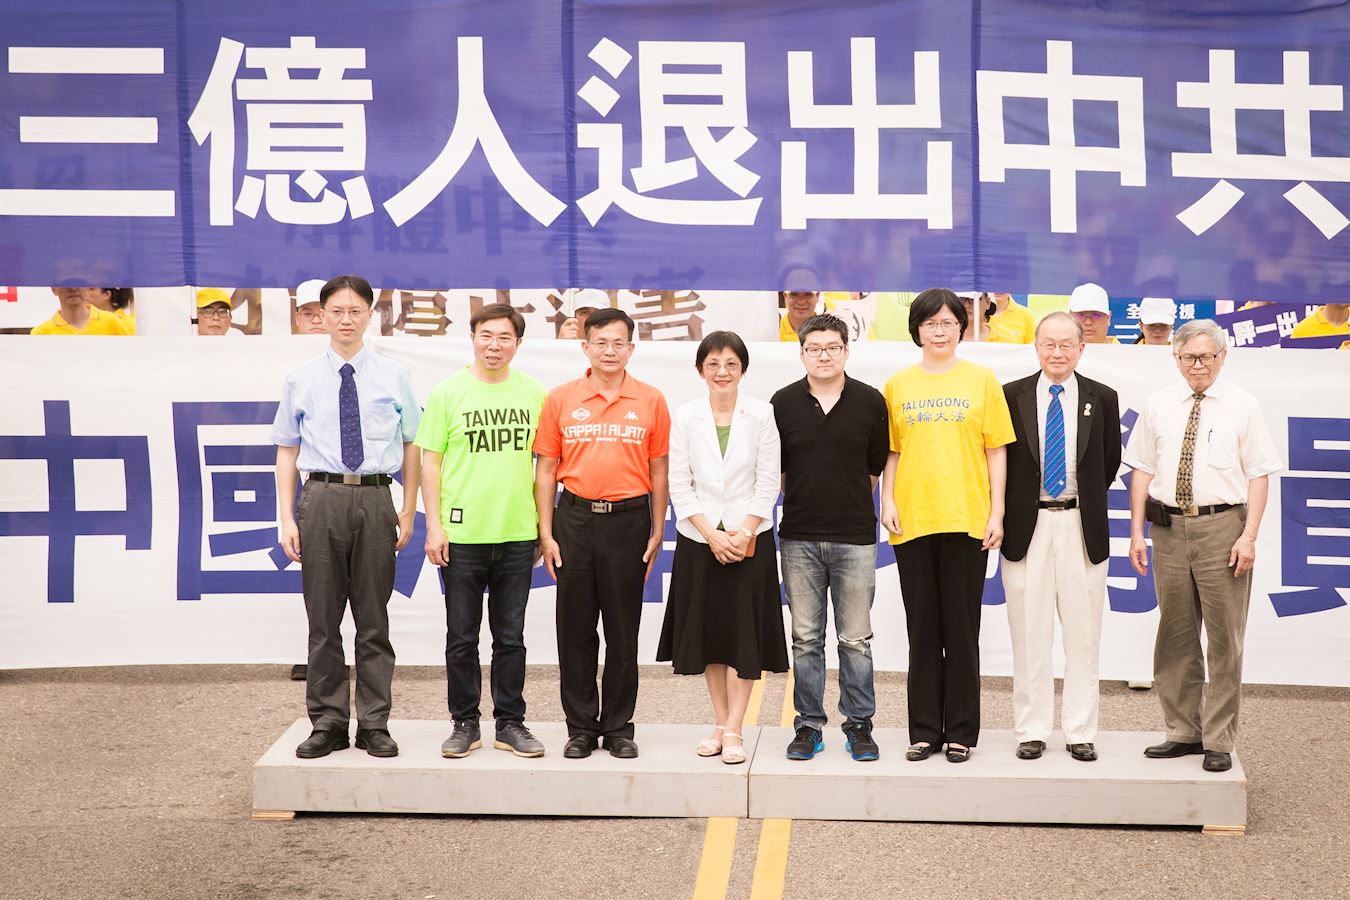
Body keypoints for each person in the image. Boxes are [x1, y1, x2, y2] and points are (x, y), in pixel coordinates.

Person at [271, 274, 422, 760]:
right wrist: (286, 517)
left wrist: (408, 507)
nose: (346, 320)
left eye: (355, 311)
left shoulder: (394, 375)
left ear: (370, 315)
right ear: (322, 315)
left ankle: (374, 723)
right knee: (323, 619)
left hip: (376, 497)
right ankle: (328, 722)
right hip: (321, 498)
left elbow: (412, 444)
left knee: (374, 619)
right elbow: (286, 450)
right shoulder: (301, 378)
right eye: (336, 311)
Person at [1124, 319, 1282, 773]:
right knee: (1174, 634)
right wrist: (1136, 532)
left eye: (1206, 356)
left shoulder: (1243, 406)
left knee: (1224, 638)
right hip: (1169, 529)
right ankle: (1182, 731)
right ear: (1175, 359)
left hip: (1223, 529)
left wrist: (1249, 536)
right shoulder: (1158, 405)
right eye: (1189, 357)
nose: (1198, 365)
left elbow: (1259, 475)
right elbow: (1141, 470)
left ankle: (1218, 738)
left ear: (1222, 357)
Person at [880, 289, 1015, 764]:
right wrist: (887, 499)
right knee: (922, 630)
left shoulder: (982, 380)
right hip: (913, 519)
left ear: (962, 327)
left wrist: (997, 511)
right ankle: (923, 731)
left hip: (966, 517)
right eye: (930, 323)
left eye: (948, 323)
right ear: (916, 329)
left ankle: (960, 732)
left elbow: (996, 450)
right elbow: (892, 451)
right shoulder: (898, 385)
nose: (939, 331)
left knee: (960, 629)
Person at [533, 308, 671, 759]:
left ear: (631, 348)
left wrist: (656, 528)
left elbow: (659, 470)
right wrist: (547, 532)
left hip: (629, 522)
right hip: (574, 520)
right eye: (601, 343)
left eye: (618, 343)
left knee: (622, 630)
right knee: (575, 630)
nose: (609, 351)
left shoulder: (650, 399)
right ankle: (579, 728)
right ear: (585, 347)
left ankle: (617, 728)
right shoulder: (560, 398)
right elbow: (546, 469)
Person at [416, 303, 549, 759]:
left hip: (517, 534)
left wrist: (542, 527)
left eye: (504, 337)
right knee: (462, 637)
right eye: (486, 335)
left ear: (518, 343)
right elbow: (430, 462)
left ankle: (510, 722)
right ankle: (464, 722)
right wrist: (433, 525)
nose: (494, 345)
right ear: (472, 338)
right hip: (461, 536)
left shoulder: (534, 393)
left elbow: (546, 466)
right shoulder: (448, 393)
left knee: (511, 638)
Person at [657, 331, 788, 765]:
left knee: (743, 636)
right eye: (713, 363)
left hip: (750, 540)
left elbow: (768, 480)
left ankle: (735, 728)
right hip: (700, 541)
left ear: (743, 369)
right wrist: (712, 534)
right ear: (700, 370)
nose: (722, 371)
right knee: (710, 636)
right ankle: (719, 722)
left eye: (731, 363)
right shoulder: (685, 415)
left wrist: (744, 532)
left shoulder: (762, 414)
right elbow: (679, 483)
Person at [1000, 312, 1121, 762]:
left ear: (1081, 348)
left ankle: (1079, 730)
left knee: (1083, 634)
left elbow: (1108, 462)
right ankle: (1032, 728)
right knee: (1028, 632)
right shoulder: (1010, 395)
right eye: (1048, 344)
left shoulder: (1101, 398)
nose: (1057, 353)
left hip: (1079, 524)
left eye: (1066, 344)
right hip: (1026, 526)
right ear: (1036, 347)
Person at [772, 314, 888, 762]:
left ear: (846, 350)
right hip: (799, 537)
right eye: (814, 348)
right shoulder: (783, 402)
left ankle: (859, 725)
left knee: (855, 639)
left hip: (854, 537)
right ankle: (808, 725)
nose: (824, 355)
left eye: (832, 347)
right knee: (806, 639)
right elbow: (780, 471)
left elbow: (874, 469)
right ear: (801, 352)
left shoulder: (870, 401)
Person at [31, 286, 132, 335]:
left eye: (78, 281)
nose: (73, 288)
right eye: (66, 282)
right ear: (54, 289)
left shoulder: (112, 323)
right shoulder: (41, 334)